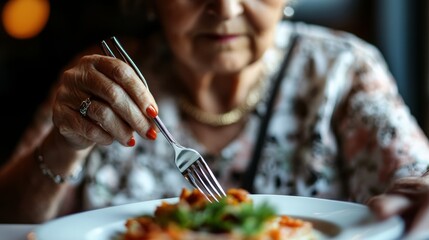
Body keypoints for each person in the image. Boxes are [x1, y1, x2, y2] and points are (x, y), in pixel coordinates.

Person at [0, 0, 428, 237]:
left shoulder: (342, 71)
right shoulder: (106, 77)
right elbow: (11, 224)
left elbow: (418, 182)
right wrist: (63, 146)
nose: (225, 8)